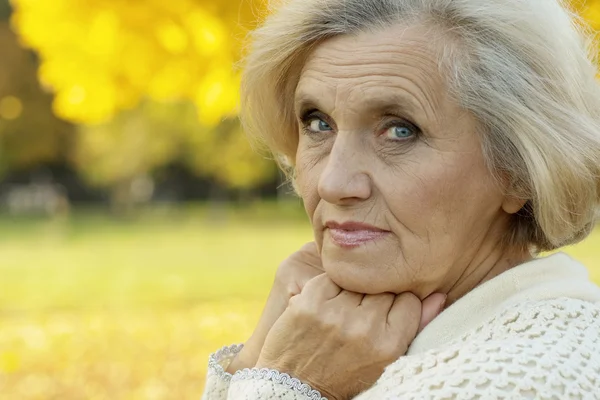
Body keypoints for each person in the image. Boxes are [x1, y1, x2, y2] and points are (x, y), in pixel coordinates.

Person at [202, 0, 600, 398]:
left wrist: (290, 381)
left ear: (519, 169)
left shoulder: (513, 378)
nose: (332, 182)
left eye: (399, 131)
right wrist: (255, 358)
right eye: (318, 124)